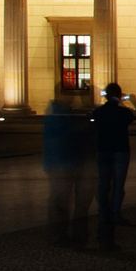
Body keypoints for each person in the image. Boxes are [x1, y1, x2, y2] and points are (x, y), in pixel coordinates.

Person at [93, 82, 136, 249]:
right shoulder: (123, 112)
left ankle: (103, 214)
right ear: (119, 96)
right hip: (121, 151)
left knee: (103, 184)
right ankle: (115, 213)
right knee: (118, 184)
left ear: (106, 95)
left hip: (103, 151)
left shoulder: (99, 112)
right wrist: (132, 101)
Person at [43, 97, 95, 247]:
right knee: (73, 204)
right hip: (67, 165)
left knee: (60, 203)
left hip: (60, 165)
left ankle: (59, 235)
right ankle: (76, 236)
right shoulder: (65, 118)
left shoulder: (55, 117)